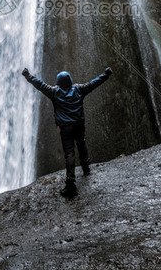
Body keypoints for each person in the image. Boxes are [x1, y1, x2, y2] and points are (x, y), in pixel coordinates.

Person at [21, 66, 114, 197]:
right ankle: (86, 168)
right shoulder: (79, 89)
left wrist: (28, 76)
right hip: (79, 124)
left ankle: (70, 183)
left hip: (65, 127)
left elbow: (40, 85)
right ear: (70, 80)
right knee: (82, 143)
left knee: (69, 153)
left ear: (58, 82)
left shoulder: (54, 92)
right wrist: (106, 74)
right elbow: (94, 83)